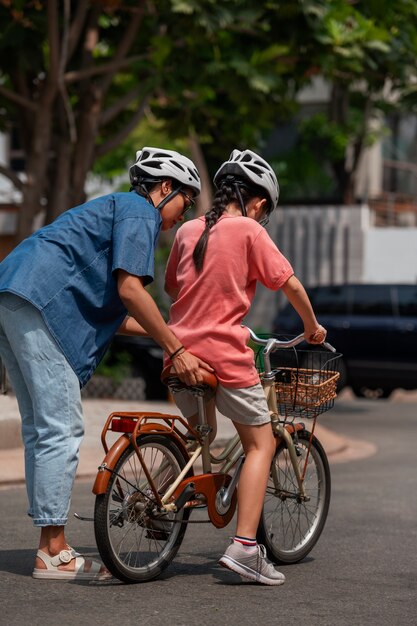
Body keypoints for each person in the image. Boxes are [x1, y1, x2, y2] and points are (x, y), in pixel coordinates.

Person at [0, 146, 212, 581]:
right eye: (184, 201)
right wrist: (177, 349)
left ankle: (50, 543)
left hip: (14, 293)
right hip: (40, 300)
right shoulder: (140, 212)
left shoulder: (113, 207)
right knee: (61, 428)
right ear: (165, 189)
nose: (181, 214)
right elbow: (132, 291)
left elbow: (120, 315)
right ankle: (53, 551)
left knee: (43, 428)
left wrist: (175, 334)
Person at [164, 149, 327, 586]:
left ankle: (160, 506)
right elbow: (288, 282)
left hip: (177, 353)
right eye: (265, 212)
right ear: (257, 204)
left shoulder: (186, 232)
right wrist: (312, 328)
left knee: (201, 438)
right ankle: (246, 549)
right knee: (260, 445)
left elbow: (173, 287)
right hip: (223, 353)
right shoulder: (249, 231)